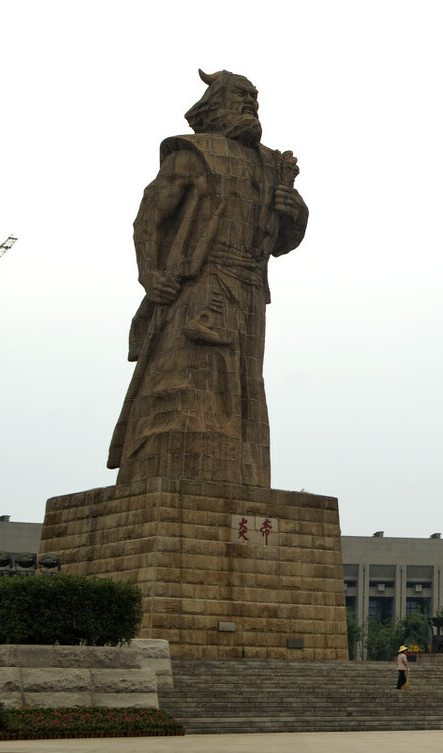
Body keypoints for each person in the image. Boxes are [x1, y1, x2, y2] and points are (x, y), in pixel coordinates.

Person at [108, 69, 309, 487]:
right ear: (215, 103)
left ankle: (241, 477)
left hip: (251, 288)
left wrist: (294, 212)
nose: (250, 102)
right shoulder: (194, 153)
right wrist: (150, 274)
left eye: (254, 95)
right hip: (200, 283)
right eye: (240, 94)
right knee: (184, 379)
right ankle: (163, 473)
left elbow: (280, 242)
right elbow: (149, 216)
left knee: (244, 388)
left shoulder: (273, 164)